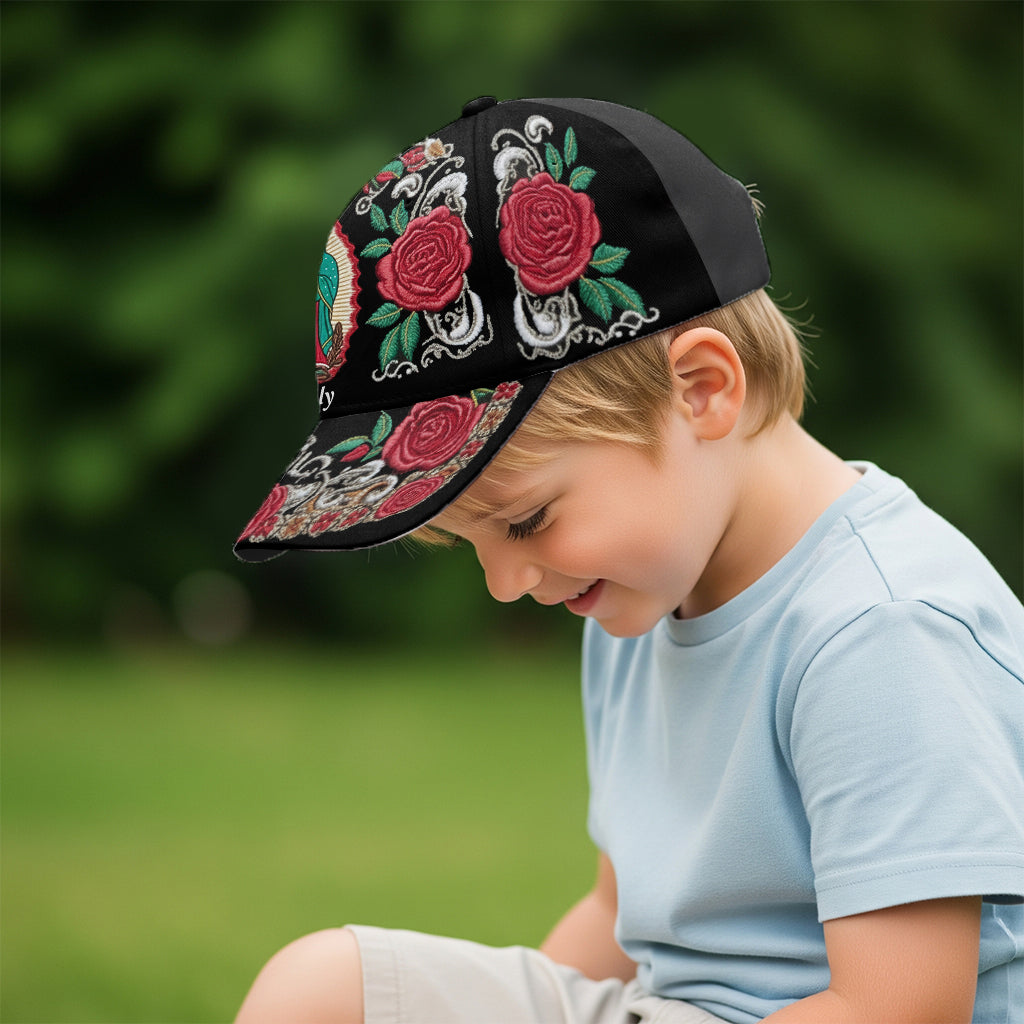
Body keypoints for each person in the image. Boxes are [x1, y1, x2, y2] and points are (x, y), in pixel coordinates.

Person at [232, 97, 1024, 1023]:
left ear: (701, 391)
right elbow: (620, 918)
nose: (505, 583)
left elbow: (899, 1008)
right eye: (472, 543)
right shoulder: (634, 595)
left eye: (525, 522)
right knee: (322, 991)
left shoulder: (878, 629)